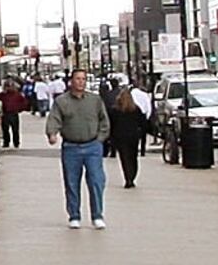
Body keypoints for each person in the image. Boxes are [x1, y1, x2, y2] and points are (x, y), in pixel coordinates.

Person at [50, 67, 110, 227]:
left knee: (96, 180)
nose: (81, 82)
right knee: (71, 182)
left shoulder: (95, 100)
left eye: (83, 79)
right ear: (71, 81)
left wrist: (100, 139)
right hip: (71, 147)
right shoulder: (62, 101)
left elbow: (104, 120)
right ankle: (74, 215)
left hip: (92, 146)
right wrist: (52, 133)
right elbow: (54, 119)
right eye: (78, 79)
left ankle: (97, 215)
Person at [108, 73, 149, 191]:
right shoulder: (135, 109)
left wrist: (111, 137)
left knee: (124, 157)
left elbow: (111, 124)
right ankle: (132, 175)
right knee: (133, 156)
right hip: (133, 136)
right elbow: (143, 122)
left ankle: (128, 177)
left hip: (120, 136)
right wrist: (142, 133)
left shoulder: (115, 110)